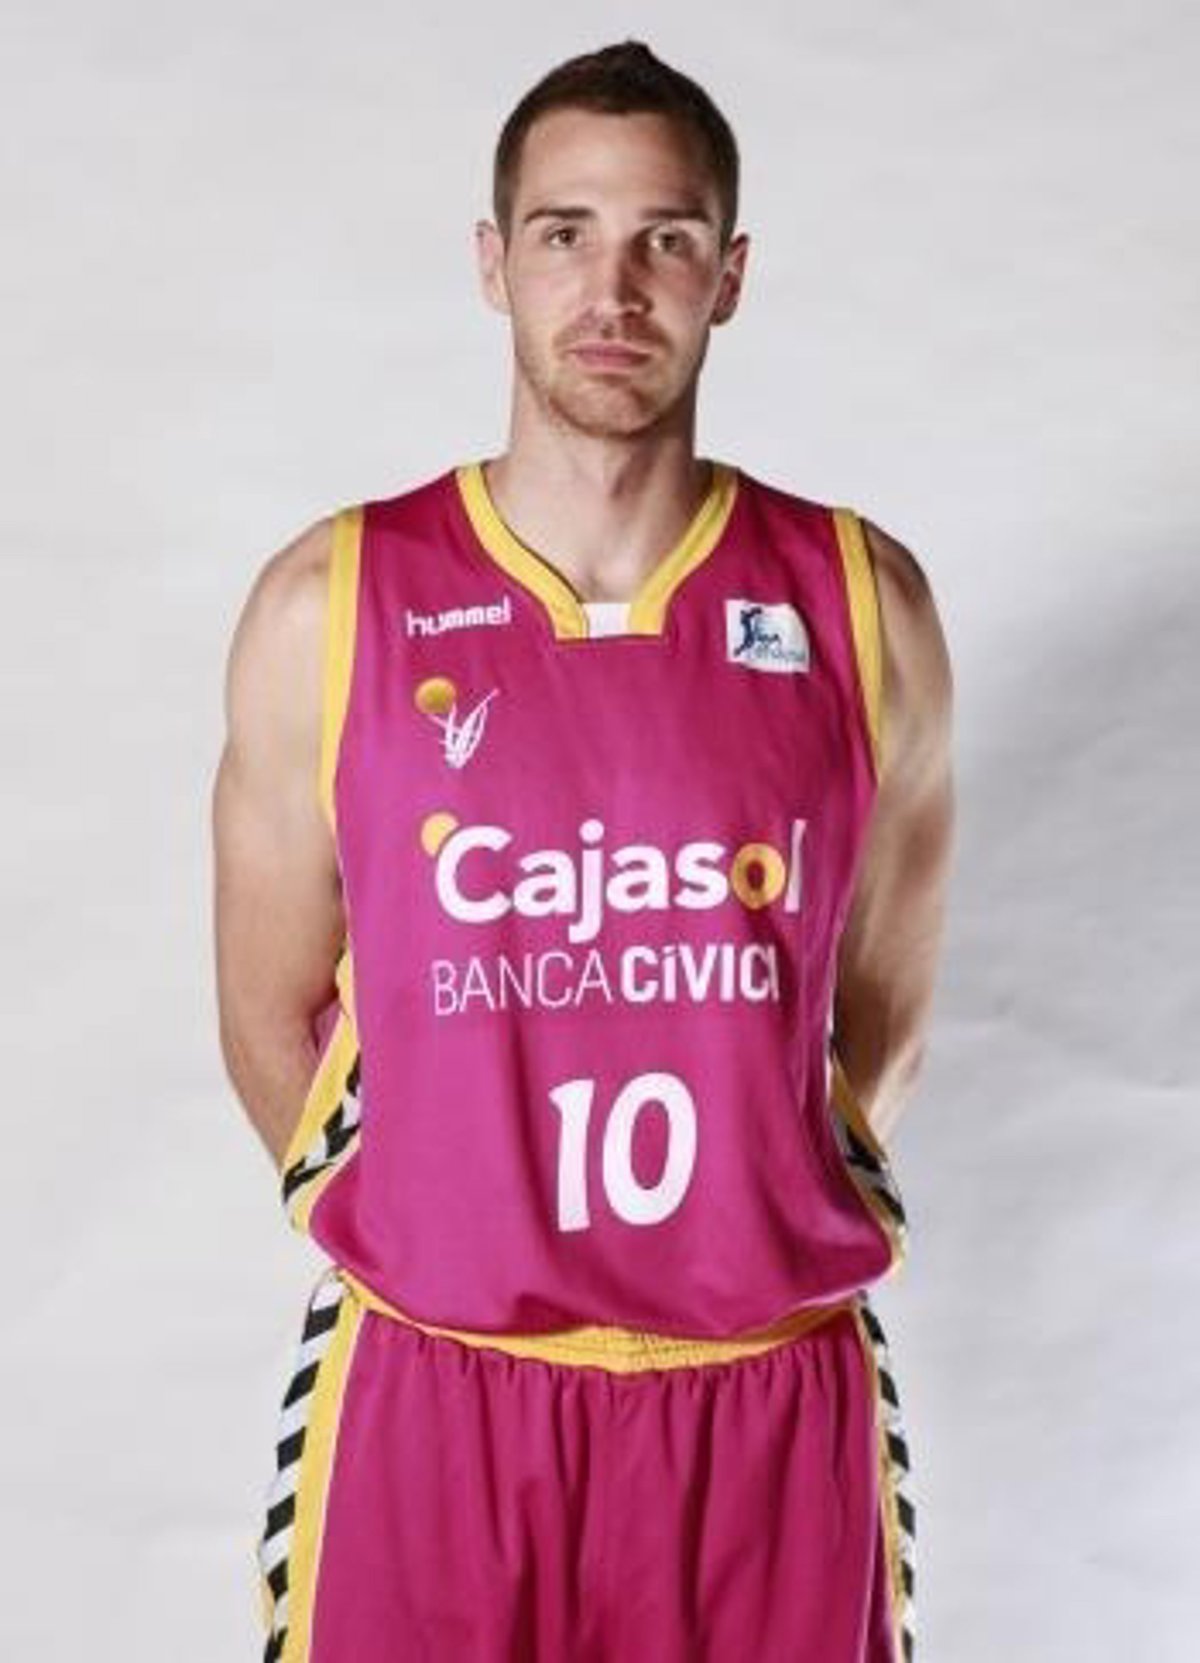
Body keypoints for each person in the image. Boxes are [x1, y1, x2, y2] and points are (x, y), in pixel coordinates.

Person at [212, 37, 954, 1663]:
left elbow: (879, 1013)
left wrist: (745, 1201)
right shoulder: (331, 602)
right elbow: (271, 1015)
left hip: (764, 1399)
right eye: (565, 233)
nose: (611, 289)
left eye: (664, 239)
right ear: (495, 262)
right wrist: (450, 1223)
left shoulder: (861, 604)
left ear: (728, 275)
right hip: (439, 1393)